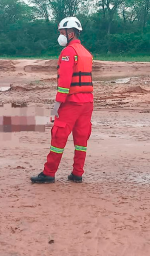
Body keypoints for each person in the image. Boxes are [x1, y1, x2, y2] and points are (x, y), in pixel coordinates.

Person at [31, 17, 93, 184]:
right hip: (87, 102)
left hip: (71, 102)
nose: (60, 36)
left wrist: (56, 105)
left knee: (58, 136)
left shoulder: (68, 52)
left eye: (61, 33)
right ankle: (77, 173)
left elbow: (64, 83)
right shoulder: (86, 53)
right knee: (81, 139)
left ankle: (49, 173)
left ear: (70, 33)